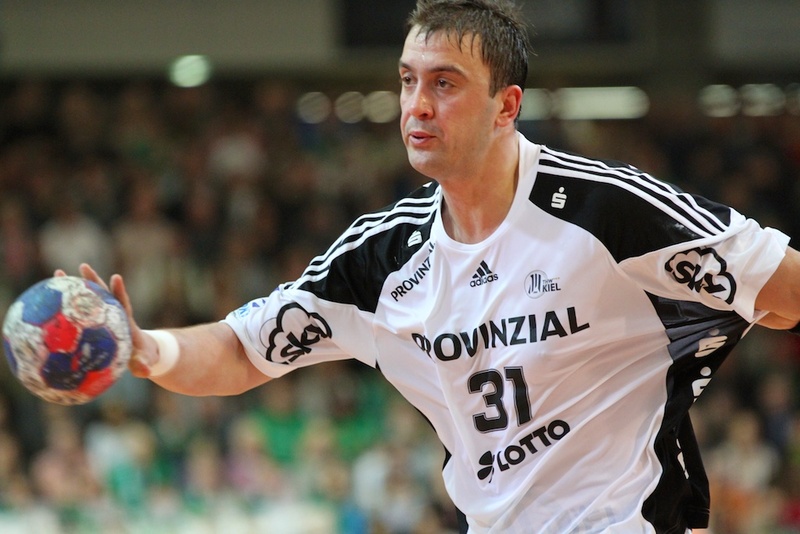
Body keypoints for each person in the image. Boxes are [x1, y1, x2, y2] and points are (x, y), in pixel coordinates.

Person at [59, 0, 800, 532]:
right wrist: (145, 348)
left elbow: (789, 288)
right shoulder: (382, 259)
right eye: (408, 80)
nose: (417, 105)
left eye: (445, 84)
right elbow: (241, 350)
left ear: (506, 106)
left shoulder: (609, 211)